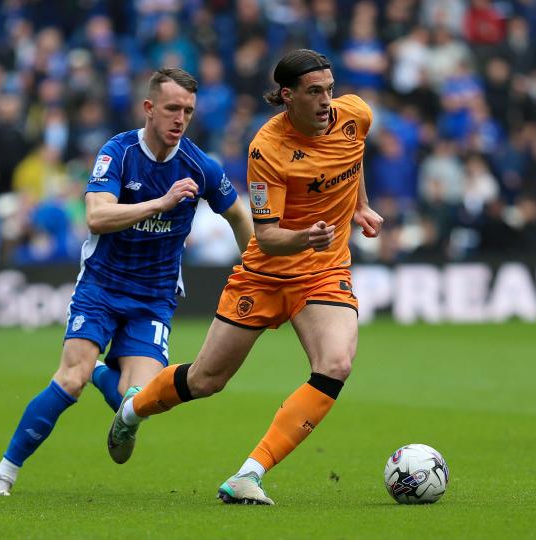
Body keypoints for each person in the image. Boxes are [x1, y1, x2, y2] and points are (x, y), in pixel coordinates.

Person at [106, 49, 383, 505]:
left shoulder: (355, 114)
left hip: (324, 272)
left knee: (335, 364)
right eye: (315, 92)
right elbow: (269, 237)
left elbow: (353, 158)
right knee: (205, 381)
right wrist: (305, 237)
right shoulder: (268, 149)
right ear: (287, 97)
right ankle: (132, 409)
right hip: (266, 273)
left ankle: (248, 475)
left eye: (330, 89)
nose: (327, 102)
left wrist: (360, 204)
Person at [0, 68, 253, 495]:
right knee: (70, 378)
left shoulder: (200, 165)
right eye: (171, 109)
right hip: (102, 287)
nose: (180, 119)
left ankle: (103, 375)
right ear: (149, 109)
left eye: (188, 110)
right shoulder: (119, 153)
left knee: (137, 401)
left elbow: (238, 215)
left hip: (155, 298)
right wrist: (160, 203)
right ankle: (4, 472)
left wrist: (258, 267)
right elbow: (97, 216)